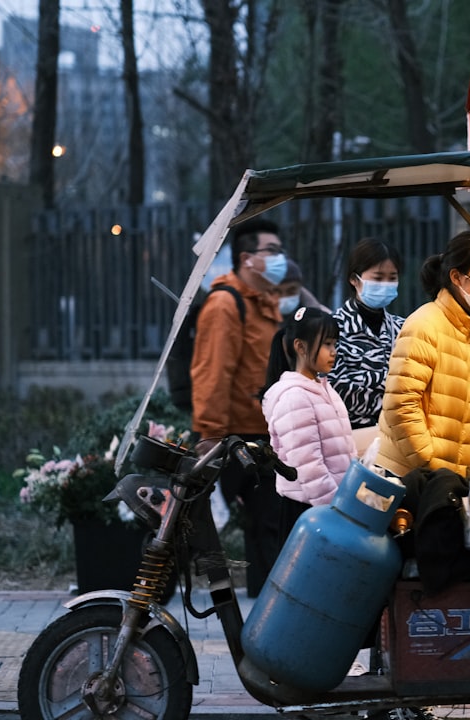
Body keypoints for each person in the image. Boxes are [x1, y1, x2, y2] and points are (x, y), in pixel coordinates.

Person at [190, 216, 285, 598]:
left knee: (269, 528)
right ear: (247, 258)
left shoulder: (265, 304)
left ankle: (266, 609)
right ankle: (150, 594)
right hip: (232, 440)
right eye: (272, 252)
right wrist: (211, 437)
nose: (280, 260)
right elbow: (212, 374)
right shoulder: (225, 306)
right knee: (205, 527)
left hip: (263, 436)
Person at [374, 230, 470, 479]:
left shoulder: (467, 328)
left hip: (444, 478)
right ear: (456, 277)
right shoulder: (425, 324)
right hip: (411, 478)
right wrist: (429, 462)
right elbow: (399, 404)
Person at [260, 306, 355, 537]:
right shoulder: (295, 397)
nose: (333, 352)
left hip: (329, 508)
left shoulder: (324, 389)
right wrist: (336, 509)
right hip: (310, 512)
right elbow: (309, 468)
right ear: (300, 347)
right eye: (326, 344)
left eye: (335, 344)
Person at [329, 239, 406, 453]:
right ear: (355, 279)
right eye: (378, 278)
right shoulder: (333, 328)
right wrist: (389, 386)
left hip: (397, 442)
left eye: (392, 278)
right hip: (349, 441)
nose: (386, 284)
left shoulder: (404, 328)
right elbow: (335, 391)